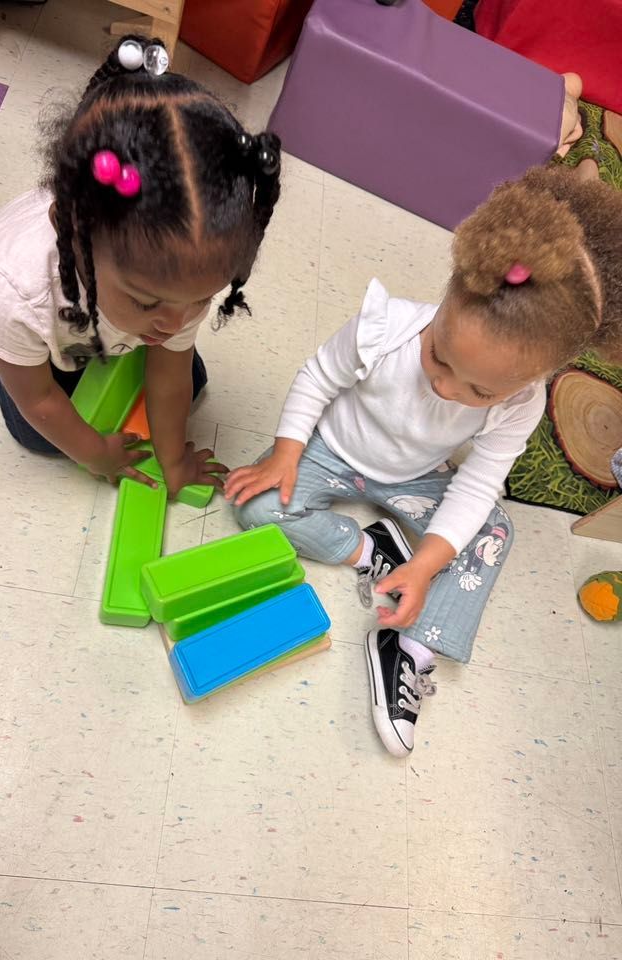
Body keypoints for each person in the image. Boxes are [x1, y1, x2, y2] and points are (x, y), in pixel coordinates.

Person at [226, 165, 622, 758]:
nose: (447, 389)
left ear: (533, 379)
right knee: (256, 505)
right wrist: (287, 451)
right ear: (448, 295)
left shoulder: (522, 402)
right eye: (439, 358)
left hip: (416, 478)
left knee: (492, 531)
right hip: (333, 450)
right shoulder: (382, 329)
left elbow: (478, 483)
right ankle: (372, 551)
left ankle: (410, 647)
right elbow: (316, 378)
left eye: (479, 392)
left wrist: (431, 563)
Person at [0, 36, 281, 495]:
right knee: (36, 433)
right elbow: (38, 399)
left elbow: (171, 369)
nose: (178, 320)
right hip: (46, 340)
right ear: (78, 238)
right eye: (148, 300)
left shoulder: (177, 277)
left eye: (202, 298)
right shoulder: (12, 290)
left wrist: (175, 459)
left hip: (103, 320)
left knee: (189, 380)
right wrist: (96, 453)